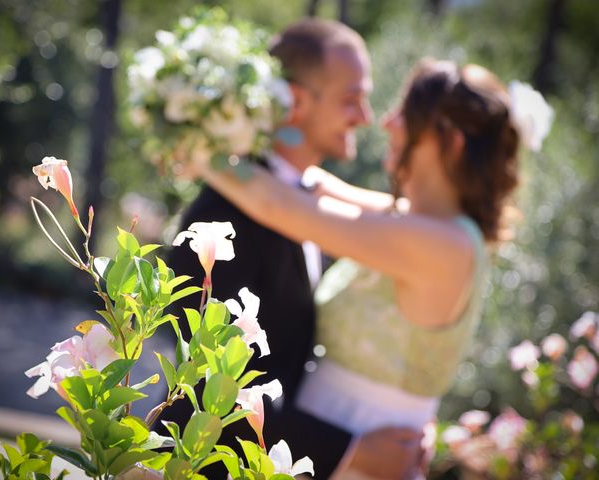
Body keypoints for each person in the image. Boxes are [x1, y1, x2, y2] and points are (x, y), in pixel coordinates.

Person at [180, 58, 550, 478]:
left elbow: (281, 207)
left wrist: (191, 138)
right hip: (319, 448)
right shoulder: (424, 225)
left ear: (453, 142)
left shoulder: (444, 245)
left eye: (405, 115)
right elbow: (314, 185)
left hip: (370, 458)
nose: (387, 123)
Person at [160, 18, 423, 479]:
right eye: (350, 98)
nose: (365, 115)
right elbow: (209, 396)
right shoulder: (221, 221)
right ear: (297, 101)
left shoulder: (306, 204)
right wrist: (352, 450)